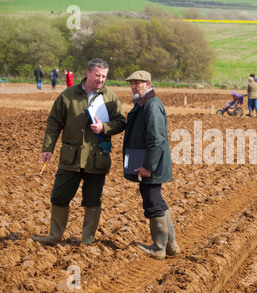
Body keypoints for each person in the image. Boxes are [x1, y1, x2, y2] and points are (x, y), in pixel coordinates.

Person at [33, 58, 126, 246]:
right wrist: (47, 148)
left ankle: (87, 240)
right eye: (98, 75)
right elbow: (53, 123)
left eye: (104, 76)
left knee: (92, 200)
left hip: (96, 158)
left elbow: (121, 122)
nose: (101, 79)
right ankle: (54, 236)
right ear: (88, 72)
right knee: (59, 196)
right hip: (71, 157)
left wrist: (104, 127)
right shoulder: (68, 95)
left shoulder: (110, 97)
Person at [123, 70, 179, 260]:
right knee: (158, 201)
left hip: (151, 165)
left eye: (137, 84)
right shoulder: (144, 103)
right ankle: (171, 245)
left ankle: (158, 248)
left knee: (152, 202)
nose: (133, 87)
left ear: (147, 84)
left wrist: (148, 166)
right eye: (131, 84)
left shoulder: (151, 105)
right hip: (150, 162)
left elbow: (157, 139)